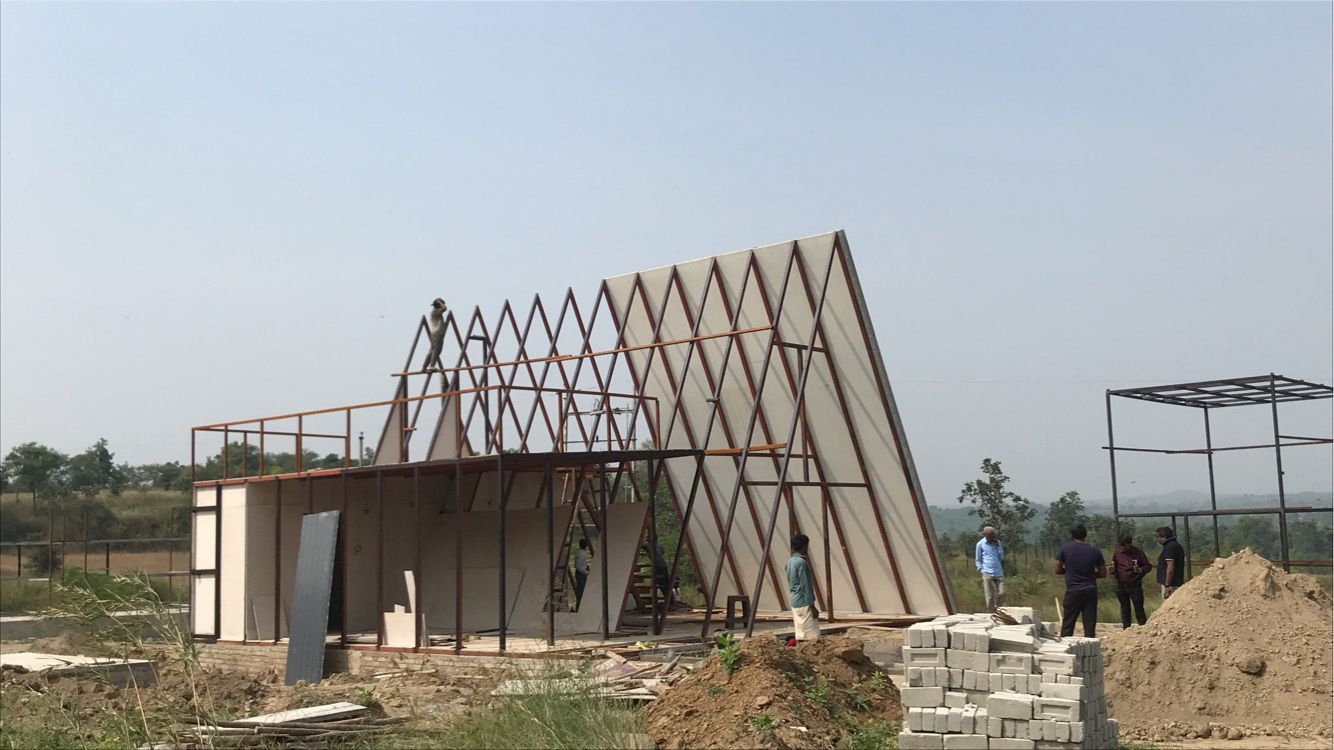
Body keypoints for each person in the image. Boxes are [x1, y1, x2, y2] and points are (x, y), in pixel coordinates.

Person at [1054, 524, 1106, 637]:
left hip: (1073, 590)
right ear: (1085, 536)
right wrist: (1090, 574)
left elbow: (1057, 569)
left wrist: (1070, 572)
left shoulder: (1065, 548)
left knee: (1068, 623)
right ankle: (1090, 649)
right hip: (1090, 590)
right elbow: (1103, 573)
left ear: (1072, 536)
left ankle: (1067, 649)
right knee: (1089, 624)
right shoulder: (1094, 550)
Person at [1110, 533, 1152, 628]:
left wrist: (1140, 570)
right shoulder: (1117, 553)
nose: (1124, 547)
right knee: (1125, 609)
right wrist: (1113, 571)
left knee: (1139, 608)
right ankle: (1126, 628)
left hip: (1135, 584)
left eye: (1126, 544)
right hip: (1121, 584)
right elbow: (1115, 566)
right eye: (1122, 545)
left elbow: (1148, 566)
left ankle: (1142, 627)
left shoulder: (1138, 552)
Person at [786, 534, 820, 641]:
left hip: (795, 601)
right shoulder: (801, 563)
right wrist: (812, 606)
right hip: (804, 602)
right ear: (804, 546)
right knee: (811, 636)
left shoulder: (790, 562)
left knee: (800, 633)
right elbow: (806, 586)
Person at [974, 526, 1006, 612]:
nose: (991, 537)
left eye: (992, 535)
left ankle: (998, 608)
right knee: (989, 595)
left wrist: (998, 546)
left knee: (1002, 593)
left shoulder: (997, 543)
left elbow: (1002, 557)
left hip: (998, 571)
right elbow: (978, 559)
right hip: (987, 571)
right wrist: (981, 569)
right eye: (989, 536)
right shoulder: (980, 544)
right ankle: (990, 611)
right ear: (985, 535)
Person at [1155, 526, 1185, 599]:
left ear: (1163, 537)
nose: (1156, 539)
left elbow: (1170, 566)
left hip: (1172, 585)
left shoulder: (1170, 547)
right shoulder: (1174, 545)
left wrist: (1167, 586)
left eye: (1158, 537)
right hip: (1174, 583)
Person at [573, 538, 590, 610]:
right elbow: (578, 566)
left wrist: (586, 566)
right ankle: (580, 607)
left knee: (580, 590)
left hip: (579, 573)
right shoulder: (581, 553)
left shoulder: (579, 552)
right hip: (581, 574)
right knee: (581, 591)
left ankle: (578, 606)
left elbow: (577, 564)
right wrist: (586, 572)